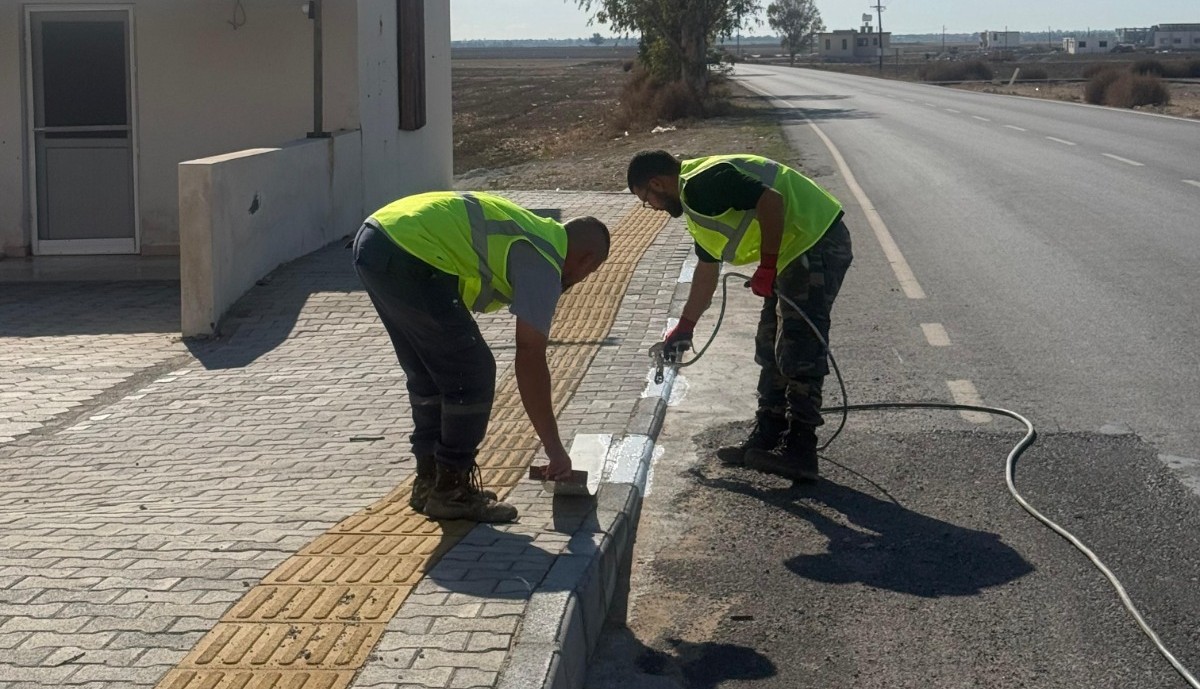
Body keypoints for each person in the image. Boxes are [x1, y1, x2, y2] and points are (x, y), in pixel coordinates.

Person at [352, 191, 610, 522]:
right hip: (410, 252)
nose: (581, 281)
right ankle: (452, 491)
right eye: (589, 273)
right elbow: (530, 357)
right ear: (588, 261)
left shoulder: (531, 230)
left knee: (431, 374)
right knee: (472, 374)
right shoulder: (545, 258)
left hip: (376, 240)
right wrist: (555, 449)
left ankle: (429, 482)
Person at [627, 150, 853, 482]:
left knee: (799, 345)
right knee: (768, 342)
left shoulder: (703, 183)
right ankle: (768, 434)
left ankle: (801, 448)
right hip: (793, 250)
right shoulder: (694, 202)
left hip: (815, 240)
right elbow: (706, 270)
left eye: (648, 200)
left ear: (656, 183)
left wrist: (768, 264)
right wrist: (684, 326)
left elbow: (771, 200)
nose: (653, 208)